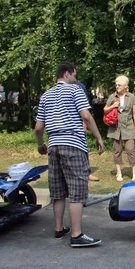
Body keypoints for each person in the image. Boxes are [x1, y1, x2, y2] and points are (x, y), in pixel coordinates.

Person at [34, 62, 105, 247]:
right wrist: (98, 137)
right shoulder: (75, 91)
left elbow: (38, 127)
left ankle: (59, 229)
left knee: (58, 191)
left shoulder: (46, 95)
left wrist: (41, 145)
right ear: (67, 74)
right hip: (73, 144)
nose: (76, 78)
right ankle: (76, 235)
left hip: (54, 145)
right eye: (74, 75)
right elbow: (87, 116)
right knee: (77, 190)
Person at [104, 75, 135, 182]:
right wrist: (113, 106)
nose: (117, 86)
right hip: (115, 128)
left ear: (125, 86)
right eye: (116, 84)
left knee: (130, 149)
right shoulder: (112, 97)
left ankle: (134, 173)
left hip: (128, 126)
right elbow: (105, 110)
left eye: (119, 85)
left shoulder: (132, 97)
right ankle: (119, 173)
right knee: (117, 150)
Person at [77, 81, 99, 182]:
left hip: (79, 123)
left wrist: (84, 124)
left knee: (83, 149)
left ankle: (87, 173)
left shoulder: (80, 86)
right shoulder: (59, 88)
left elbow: (85, 108)